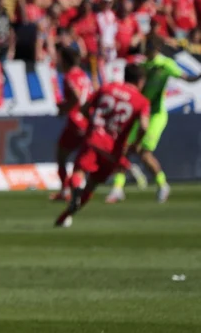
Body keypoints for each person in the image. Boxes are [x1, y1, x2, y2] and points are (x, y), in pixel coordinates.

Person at [106, 37, 201, 204]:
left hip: (156, 114)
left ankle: (162, 184)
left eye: (148, 48)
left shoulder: (165, 65)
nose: (146, 52)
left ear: (156, 49)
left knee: (144, 151)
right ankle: (117, 188)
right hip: (139, 112)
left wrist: (198, 76)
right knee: (123, 149)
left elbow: (186, 78)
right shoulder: (142, 64)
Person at [55, 64, 149, 228]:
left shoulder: (107, 88)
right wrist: (135, 144)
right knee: (91, 186)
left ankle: (75, 191)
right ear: (140, 81)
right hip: (114, 150)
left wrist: (94, 123)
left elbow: (84, 109)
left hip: (95, 139)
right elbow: (144, 126)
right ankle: (65, 217)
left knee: (78, 171)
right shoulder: (142, 101)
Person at [51, 47, 93, 200]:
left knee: (61, 156)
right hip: (88, 121)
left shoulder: (68, 76)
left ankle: (65, 191)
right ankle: (80, 188)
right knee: (82, 159)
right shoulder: (84, 75)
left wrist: (64, 107)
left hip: (76, 121)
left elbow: (75, 97)